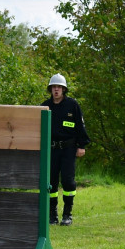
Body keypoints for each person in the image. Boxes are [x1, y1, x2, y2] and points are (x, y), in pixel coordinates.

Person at [41, 74, 90, 226]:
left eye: (59, 87)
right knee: (51, 182)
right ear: (50, 89)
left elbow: (80, 126)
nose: (56, 90)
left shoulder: (72, 105)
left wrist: (82, 145)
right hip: (51, 150)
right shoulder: (45, 106)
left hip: (69, 149)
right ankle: (52, 215)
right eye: (54, 87)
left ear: (63, 89)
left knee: (68, 181)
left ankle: (67, 214)